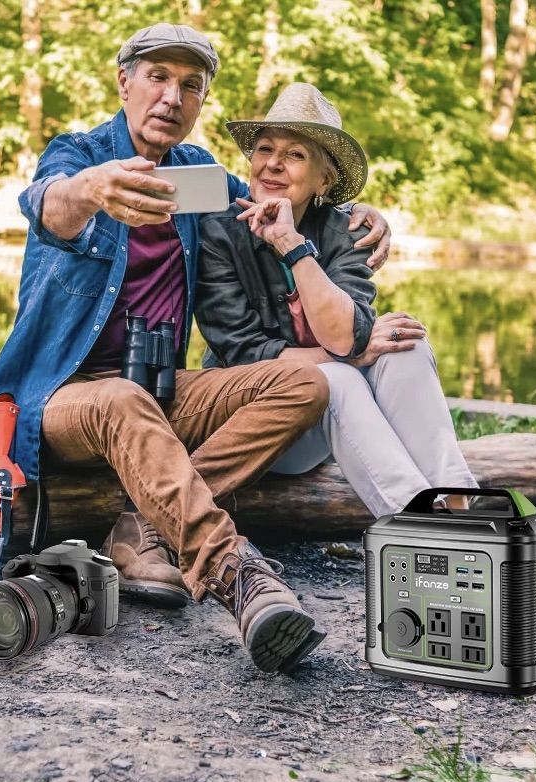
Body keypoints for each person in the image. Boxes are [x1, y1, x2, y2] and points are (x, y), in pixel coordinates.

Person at [0, 25, 394, 674]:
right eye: (157, 77)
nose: (172, 96)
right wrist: (92, 190)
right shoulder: (79, 157)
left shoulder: (197, 177)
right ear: (124, 82)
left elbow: (277, 195)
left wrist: (361, 215)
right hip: (58, 399)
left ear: (201, 101)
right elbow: (47, 206)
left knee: (306, 385)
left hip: (160, 390)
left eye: (190, 85)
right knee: (120, 399)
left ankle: (142, 526)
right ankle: (239, 578)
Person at [195, 83, 477, 519]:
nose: (272, 163)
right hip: (258, 422)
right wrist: (345, 357)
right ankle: (419, 520)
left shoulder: (345, 231)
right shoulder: (219, 232)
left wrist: (292, 245)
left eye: (295, 155)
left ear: (324, 180)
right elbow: (246, 354)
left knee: (407, 344)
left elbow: (346, 336)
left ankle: (461, 502)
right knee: (337, 378)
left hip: (325, 430)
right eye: (265, 149)